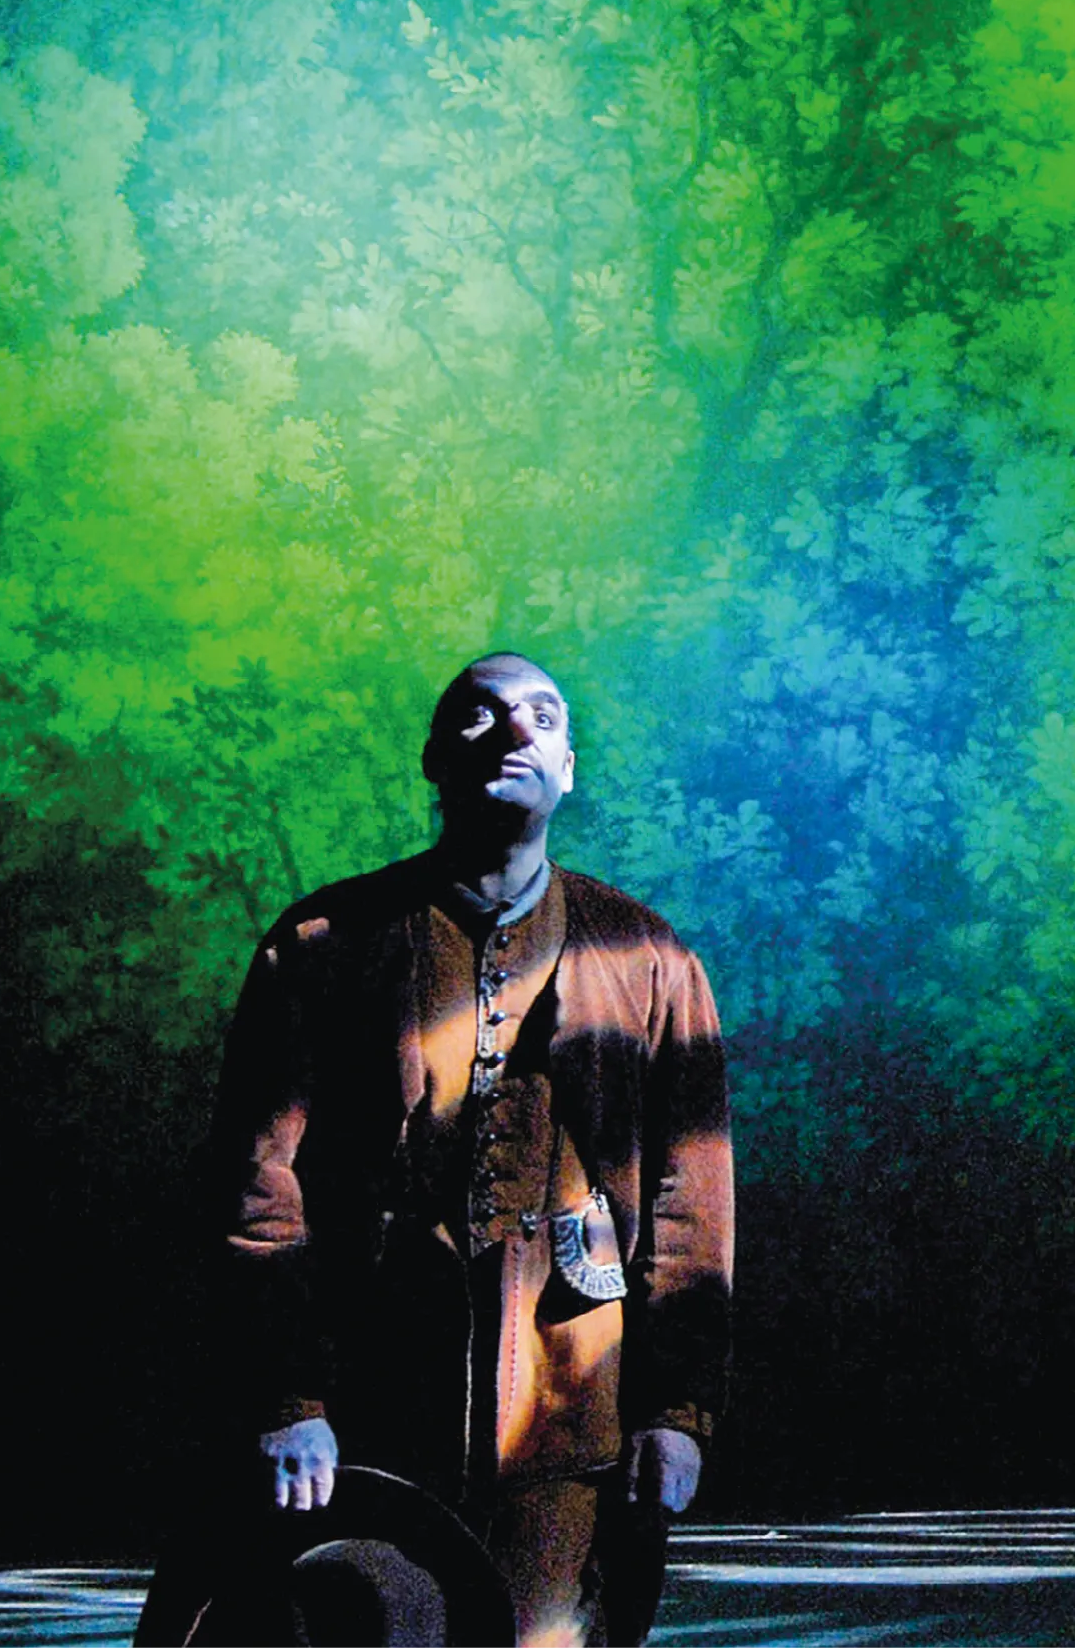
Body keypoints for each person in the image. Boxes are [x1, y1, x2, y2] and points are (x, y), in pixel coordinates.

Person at [182, 652, 733, 1648]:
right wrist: (287, 1396)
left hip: (573, 1405)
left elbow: (692, 1201)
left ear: (571, 765)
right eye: (479, 714)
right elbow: (258, 1187)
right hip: (370, 1400)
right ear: (436, 760)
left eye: (541, 715)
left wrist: (677, 1408)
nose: (514, 730)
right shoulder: (323, 943)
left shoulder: (648, 957)